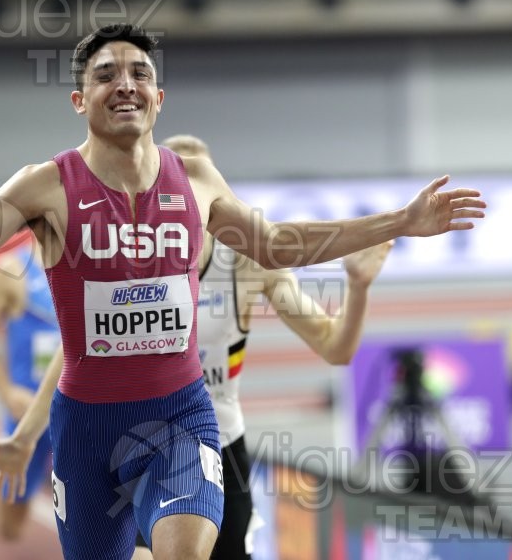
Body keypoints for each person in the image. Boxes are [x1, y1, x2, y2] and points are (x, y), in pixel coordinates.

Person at [0, 23, 485, 560]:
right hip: (85, 429)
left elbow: (277, 245)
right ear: (80, 98)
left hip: (182, 414)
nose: (126, 83)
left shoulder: (196, 182)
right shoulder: (43, 186)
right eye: (107, 73)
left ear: (158, 96)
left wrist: (400, 222)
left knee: (185, 547)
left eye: (140, 73)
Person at [131, 134, 394, 559]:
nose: (190, 193)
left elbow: (334, 348)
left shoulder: (247, 264)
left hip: (222, 445)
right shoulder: (131, 259)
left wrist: (358, 287)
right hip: (147, 443)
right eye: (178, 181)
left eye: (200, 180)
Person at [0, 242, 61, 542]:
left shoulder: (95, 264)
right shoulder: (13, 270)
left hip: (76, 409)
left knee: (94, 514)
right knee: (11, 526)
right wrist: (7, 392)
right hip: (26, 412)